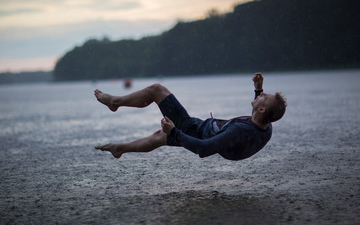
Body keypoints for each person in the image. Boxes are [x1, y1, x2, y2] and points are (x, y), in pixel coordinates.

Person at [94, 73, 287, 161]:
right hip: (206, 130)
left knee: (156, 90)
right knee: (160, 137)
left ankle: (115, 102)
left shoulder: (239, 131)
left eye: (264, 97)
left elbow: (203, 150)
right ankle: (120, 149)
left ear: (262, 110)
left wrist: (175, 132)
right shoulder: (266, 126)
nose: (261, 95)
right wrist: (258, 90)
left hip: (199, 133)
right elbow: (256, 117)